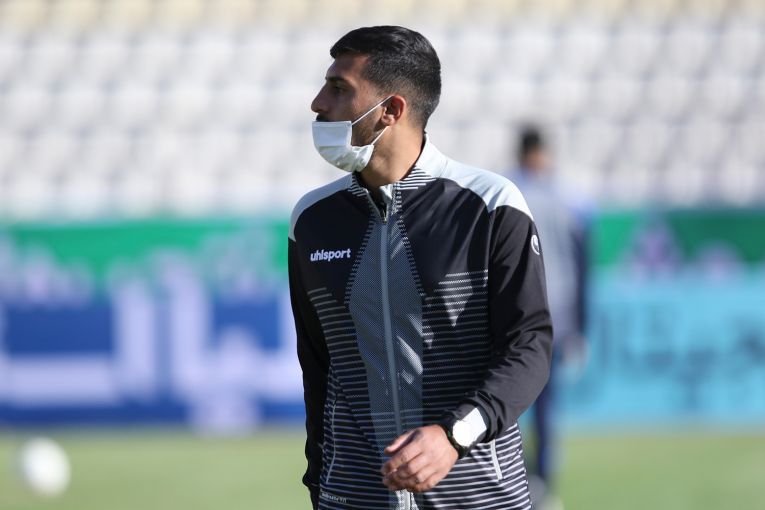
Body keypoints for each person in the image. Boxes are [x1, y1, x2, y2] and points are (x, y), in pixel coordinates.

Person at [288, 26, 552, 510]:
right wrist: (320, 487)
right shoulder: (310, 221)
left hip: (479, 498)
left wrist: (454, 436)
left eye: (339, 88)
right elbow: (318, 368)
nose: (318, 103)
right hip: (353, 498)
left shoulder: (490, 205)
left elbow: (529, 347)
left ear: (390, 110)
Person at [510, 126, 589, 509]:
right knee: (545, 405)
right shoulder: (569, 200)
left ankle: (514, 480)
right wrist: (581, 326)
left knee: (506, 401)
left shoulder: (505, 192)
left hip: (514, 315)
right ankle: (542, 482)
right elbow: (582, 267)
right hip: (555, 317)